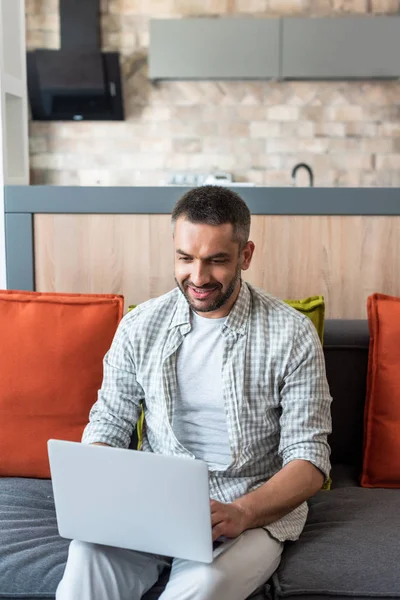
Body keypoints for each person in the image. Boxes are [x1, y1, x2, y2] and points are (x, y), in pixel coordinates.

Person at [56, 185, 332, 600]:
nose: (198, 277)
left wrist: (243, 513)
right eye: (186, 258)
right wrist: (101, 492)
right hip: (151, 506)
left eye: (216, 260)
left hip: (248, 509)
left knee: (203, 587)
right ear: (174, 249)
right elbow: (110, 422)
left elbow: (309, 458)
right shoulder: (139, 326)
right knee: (84, 566)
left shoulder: (292, 334)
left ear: (246, 255)